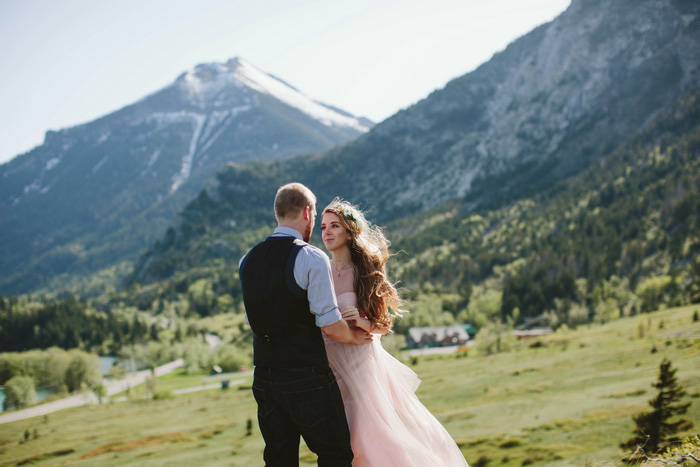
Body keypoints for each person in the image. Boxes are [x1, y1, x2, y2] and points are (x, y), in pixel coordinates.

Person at [320, 198, 469, 467]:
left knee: (365, 441)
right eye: (322, 227)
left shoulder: (364, 271)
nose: (327, 232)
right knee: (337, 445)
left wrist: (361, 322)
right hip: (328, 368)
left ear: (349, 231)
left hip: (360, 367)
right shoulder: (320, 270)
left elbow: (383, 324)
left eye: (334, 226)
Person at [239, 183, 372, 466]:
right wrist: (355, 337)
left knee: (279, 459)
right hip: (305, 377)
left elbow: (253, 320)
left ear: (277, 214)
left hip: (263, 378)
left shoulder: (246, 261)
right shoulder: (310, 257)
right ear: (308, 213)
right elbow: (331, 326)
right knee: (335, 454)